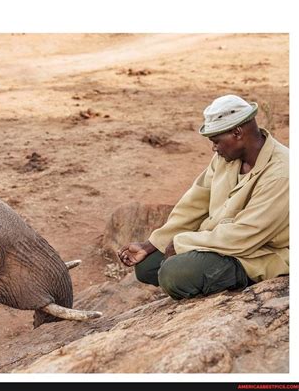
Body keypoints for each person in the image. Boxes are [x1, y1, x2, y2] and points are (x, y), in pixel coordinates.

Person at [118, 94, 289, 300]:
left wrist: (182, 243)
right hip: (218, 241)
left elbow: (244, 235)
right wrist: (152, 243)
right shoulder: (226, 158)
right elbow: (194, 204)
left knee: (173, 274)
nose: (214, 148)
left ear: (237, 132)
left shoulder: (282, 173)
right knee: (147, 266)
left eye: (216, 141)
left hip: (259, 253)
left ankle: (242, 281)